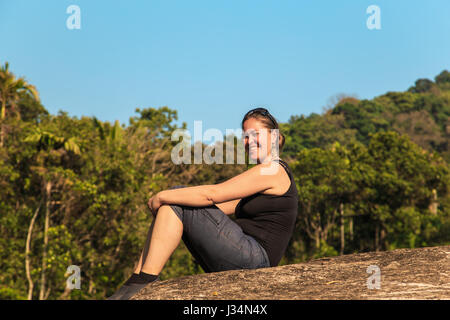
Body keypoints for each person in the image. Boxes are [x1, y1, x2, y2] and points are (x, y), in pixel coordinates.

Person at [107, 107, 299, 300]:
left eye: (255, 134)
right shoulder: (262, 176)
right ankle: (137, 277)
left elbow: (212, 195)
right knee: (177, 202)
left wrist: (162, 196)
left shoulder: (272, 170)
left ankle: (145, 280)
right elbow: (214, 209)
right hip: (247, 256)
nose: (249, 141)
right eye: (246, 136)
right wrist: (172, 203)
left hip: (256, 260)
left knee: (174, 196)